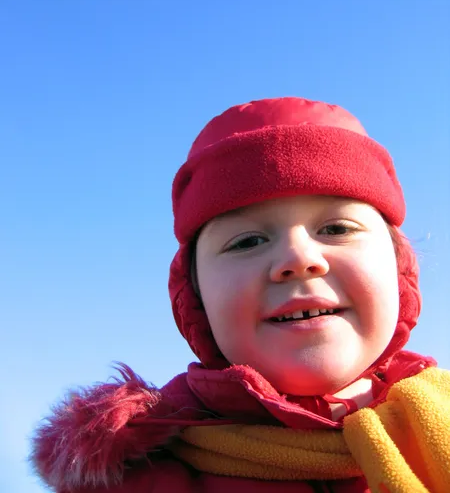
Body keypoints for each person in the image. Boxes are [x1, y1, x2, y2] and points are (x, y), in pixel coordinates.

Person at [31, 97, 450, 493]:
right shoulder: (141, 477)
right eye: (247, 241)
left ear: (399, 270)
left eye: (337, 229)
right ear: (195, 298)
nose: (298, 257)